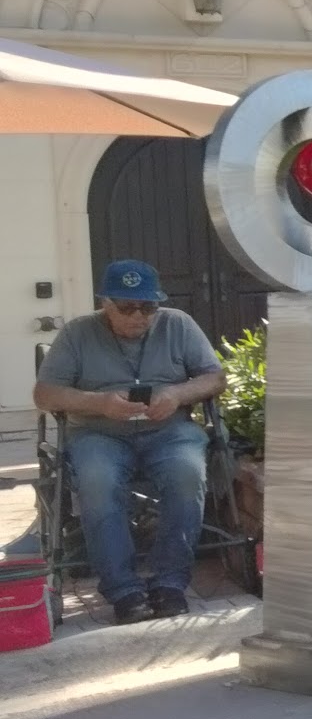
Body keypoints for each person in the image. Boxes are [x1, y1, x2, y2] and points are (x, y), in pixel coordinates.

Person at [33, 260, 224, 623]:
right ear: (105, 303)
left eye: (148, 307)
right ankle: (123, 590)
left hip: (169, 429)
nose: (139, 316)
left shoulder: (178, 324)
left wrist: (177, 394)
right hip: (98, 432)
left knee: (187, 475)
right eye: (127, 307)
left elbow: (214, 378)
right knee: (97, 482)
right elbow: (45, 394)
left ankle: (170, 583)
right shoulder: (77, 333)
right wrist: (100, 403)